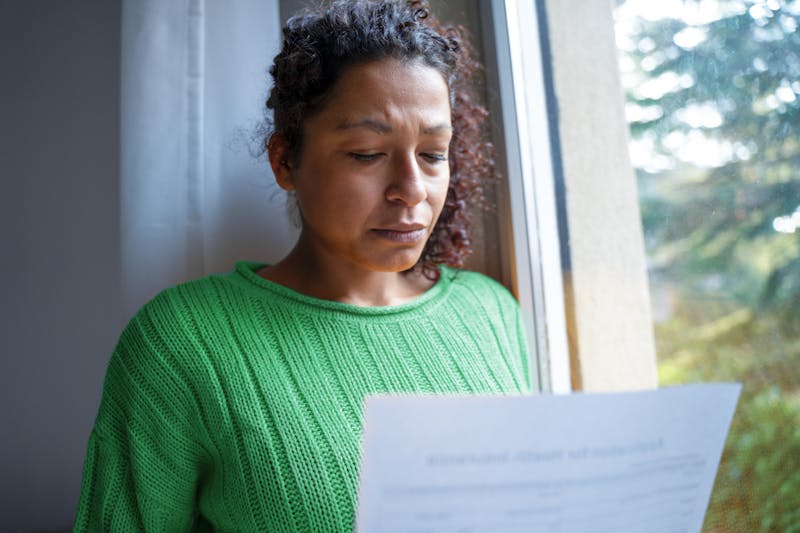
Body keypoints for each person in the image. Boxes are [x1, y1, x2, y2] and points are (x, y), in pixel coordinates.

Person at [74, 1, 531, 531]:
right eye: (366, 153)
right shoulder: (180, 343)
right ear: (285, 160)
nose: (412, 191)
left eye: (433, 154)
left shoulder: (491, 312)